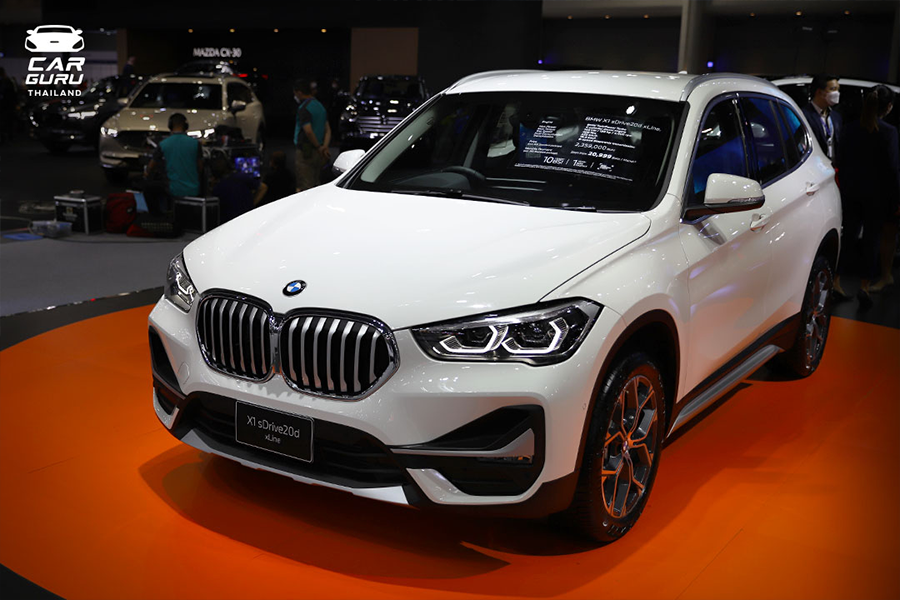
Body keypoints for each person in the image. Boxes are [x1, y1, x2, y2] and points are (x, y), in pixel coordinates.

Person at [835, 85, 900, 304]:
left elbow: (841, 160)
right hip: (877, 196)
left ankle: (836, 281)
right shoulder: (889, 132)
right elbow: (892, 168)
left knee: (848, 238)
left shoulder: (850, 128)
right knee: (872, 241)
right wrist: (895, 198)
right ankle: (864, 287)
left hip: (851, 192)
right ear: (888, 107)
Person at [146, 113, 202, 212]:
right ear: (186, 126)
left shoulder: (163, 144)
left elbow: (150, 168)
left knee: (148, 187)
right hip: (194, 189)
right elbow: (200, 168)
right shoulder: (195, 143)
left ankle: (158, 215)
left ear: (170, 126)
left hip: (173, 189)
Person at [293, 78, 331, 191]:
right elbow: (328, 130)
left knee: (305, 185)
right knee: (316, 182)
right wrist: (324, 147)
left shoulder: (304, 108)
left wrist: (318, 147)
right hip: (320, 152)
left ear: (299, 92)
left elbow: (308, 131)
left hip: (306, 150)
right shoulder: (320, 106)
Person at [801, 74, 842, 164]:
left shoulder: (836, 117)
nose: (837, 93)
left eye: (838, 89)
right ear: (819, 92)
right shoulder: (804, 115)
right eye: (833, 89)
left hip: (833, 166)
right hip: (815, 166)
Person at [211, 155, 258, 223]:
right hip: (248, 218)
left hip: (230, 222)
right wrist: (253, 205)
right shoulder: (241, 177)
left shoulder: (218, 188)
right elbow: (263, 187)